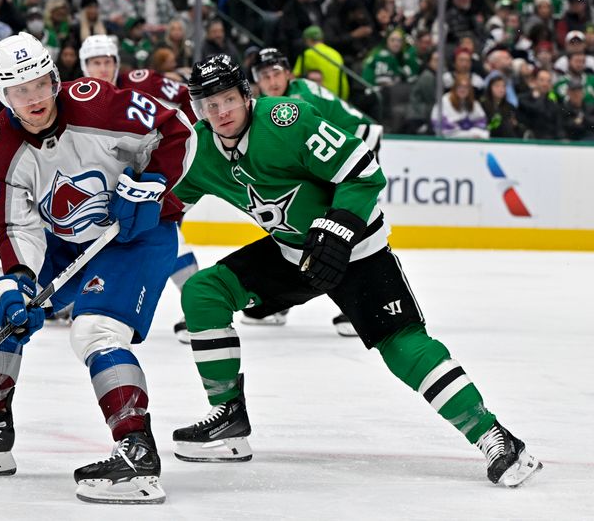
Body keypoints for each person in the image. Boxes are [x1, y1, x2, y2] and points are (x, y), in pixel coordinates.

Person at [170, 54, 542, 489]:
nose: (220, 113)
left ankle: (494, 437)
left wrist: (338, 227)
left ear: (246, 96)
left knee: (401, 345)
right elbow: (165, 203)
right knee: (203, 293)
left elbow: (363, 169)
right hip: (293, 254)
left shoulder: (285, 119)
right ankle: (229, 420)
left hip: (358, 251)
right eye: (208, 105)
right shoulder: (198, 150)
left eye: (228, 100)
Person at [0, 32, 196, 504]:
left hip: (135, 236)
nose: (33, 98)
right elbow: (17, 226)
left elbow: (177, 130)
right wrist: (20, 280)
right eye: (19, 90)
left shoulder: (99, 105)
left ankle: (136, 452)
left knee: (93, 330)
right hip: (65, 247)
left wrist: (152, 183)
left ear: (55, 77)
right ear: (2, 95)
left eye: (40, 83)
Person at [248, 46, 384, 336]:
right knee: (301, 228)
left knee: (340, 232)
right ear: (256, 80)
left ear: (288, 74)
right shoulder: (273, 103)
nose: (271, 81)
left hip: (358, 152)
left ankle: (358, 307)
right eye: (264, 75)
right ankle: (284, 300)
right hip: (339, 156)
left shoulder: (299, 98)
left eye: (276, 73)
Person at [79, 34, 199, 343]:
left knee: (161, 229)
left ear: (117, 63)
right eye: (95, 62)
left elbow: (190, 96)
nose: (102, 68)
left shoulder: (139, 80)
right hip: (110, 184)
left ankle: (199, 306)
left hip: (153, 176)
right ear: (84, 65)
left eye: (107, 62)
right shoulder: (75, 100)